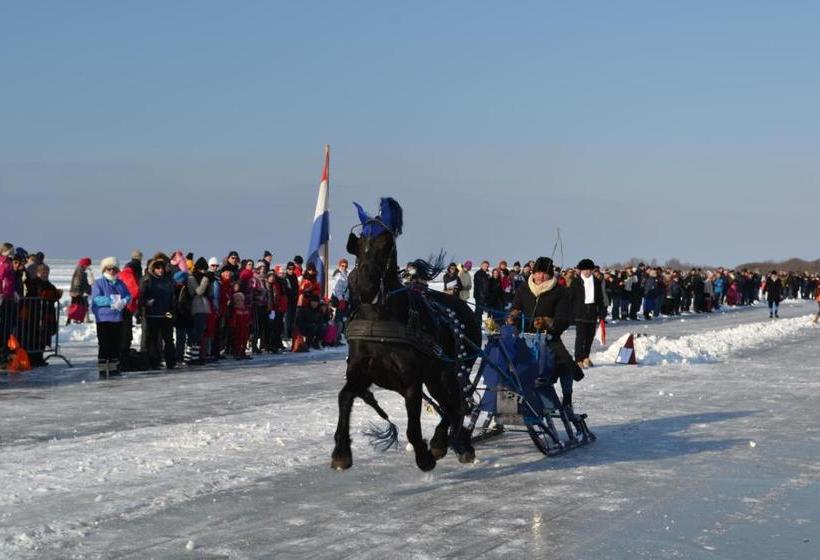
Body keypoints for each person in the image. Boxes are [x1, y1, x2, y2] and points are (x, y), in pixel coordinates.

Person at [507, 257, 584, 424]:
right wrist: (513, 316)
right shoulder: (524, 288)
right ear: (533, 273)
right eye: (538, 272)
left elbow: (564, 319)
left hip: (549, 339)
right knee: (507, 367)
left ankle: (567, 401)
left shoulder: (560, 291)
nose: (541, 276)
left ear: (550, 275)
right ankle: (509, 409)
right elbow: (515, 307)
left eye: (545, 273)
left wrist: (548, 322)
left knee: (565, 364)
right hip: (523, 338)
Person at [91, 257, 131, 378]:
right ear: (104, 269)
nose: (112, 271)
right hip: (103, 319)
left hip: (117, 319)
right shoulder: (99, 283)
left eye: (114, 269)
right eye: (109, 269)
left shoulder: (121, 283)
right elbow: (96, 299)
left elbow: (128, 295)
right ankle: (103, 370)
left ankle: (114, 369)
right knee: (104, 345)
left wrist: (124, 301)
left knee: (115, 345)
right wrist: (111, 301)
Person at [140, 257, 177, 370]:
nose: (160, 270)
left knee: (169, 339)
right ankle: (153, 363)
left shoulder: (168, 281)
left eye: (162, 268)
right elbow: (141, 298)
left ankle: (171, 362)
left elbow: (172, 299)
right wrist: (146, 302)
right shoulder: (148, 281)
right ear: (153, 269)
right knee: (153, 341)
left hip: (166, 315)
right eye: (157, 268)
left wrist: (171, 313)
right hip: (152, 316)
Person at [570, 258, 605, 368]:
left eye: (589, 270)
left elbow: (600, 299)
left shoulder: (597, 282)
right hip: (580, 313)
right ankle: (578, 359)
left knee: (590, 337)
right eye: (585, 270)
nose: (587, 272)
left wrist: (602, 313)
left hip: (592, 313)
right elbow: (570, 298)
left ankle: (585, 357)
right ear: (581, 270)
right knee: (580, 337)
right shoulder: (576, 282)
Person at [187, 257, 212, 364]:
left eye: (205, 270)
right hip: (196, 308)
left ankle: (196, 356)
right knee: (196, 334)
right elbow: (199, 291)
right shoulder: (192, 278)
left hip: (204, 308)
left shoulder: (203, 278)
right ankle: (192, 358)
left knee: (200, 333)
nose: (204, 272)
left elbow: (209, 293)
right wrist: (206, 279)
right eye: (202, 269)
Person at [0, 243, 17, 367]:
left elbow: (11, 280)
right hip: (4, 298)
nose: (12, 252)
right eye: (11, 250)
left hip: (9, 297)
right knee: (3, 328)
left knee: (7, 328)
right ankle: (2, 356)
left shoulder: (9, 262)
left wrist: (14, 292)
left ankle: (4, 355)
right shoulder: (3, 262)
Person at [330, 258, 350, 343]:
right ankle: (334, 338)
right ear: (339, 265)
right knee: (338, 321)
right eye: (342, 266)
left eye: (345, 266)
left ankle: (337, 338)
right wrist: (341, 300)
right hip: (339, 301)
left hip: (344, 300)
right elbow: (337, 289)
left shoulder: (345, 275)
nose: (344, 267)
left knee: (342, 320)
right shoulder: (338, 275)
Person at [68, 257, 93, 324]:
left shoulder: (80, 271)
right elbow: (79, 283)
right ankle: (76, 320)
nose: (88, 267)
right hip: (77, 292)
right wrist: (86, 290)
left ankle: (79, 319)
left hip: (77, 292)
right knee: (79, 306)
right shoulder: (80, 272)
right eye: (88, 265)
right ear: (84, 264)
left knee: (81, 305)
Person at [229, 292, 252, 359]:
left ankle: (243, 352)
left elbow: (249, 319)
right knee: (238, 340)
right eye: (238, 300)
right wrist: (233, 327)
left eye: (241, 300)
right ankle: (237, 353)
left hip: (245, 328)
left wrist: (249, 323)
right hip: (238, 329)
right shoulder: (235, 310)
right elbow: (233, 321)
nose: (240, 302)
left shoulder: (245, 309)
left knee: (245, 340)